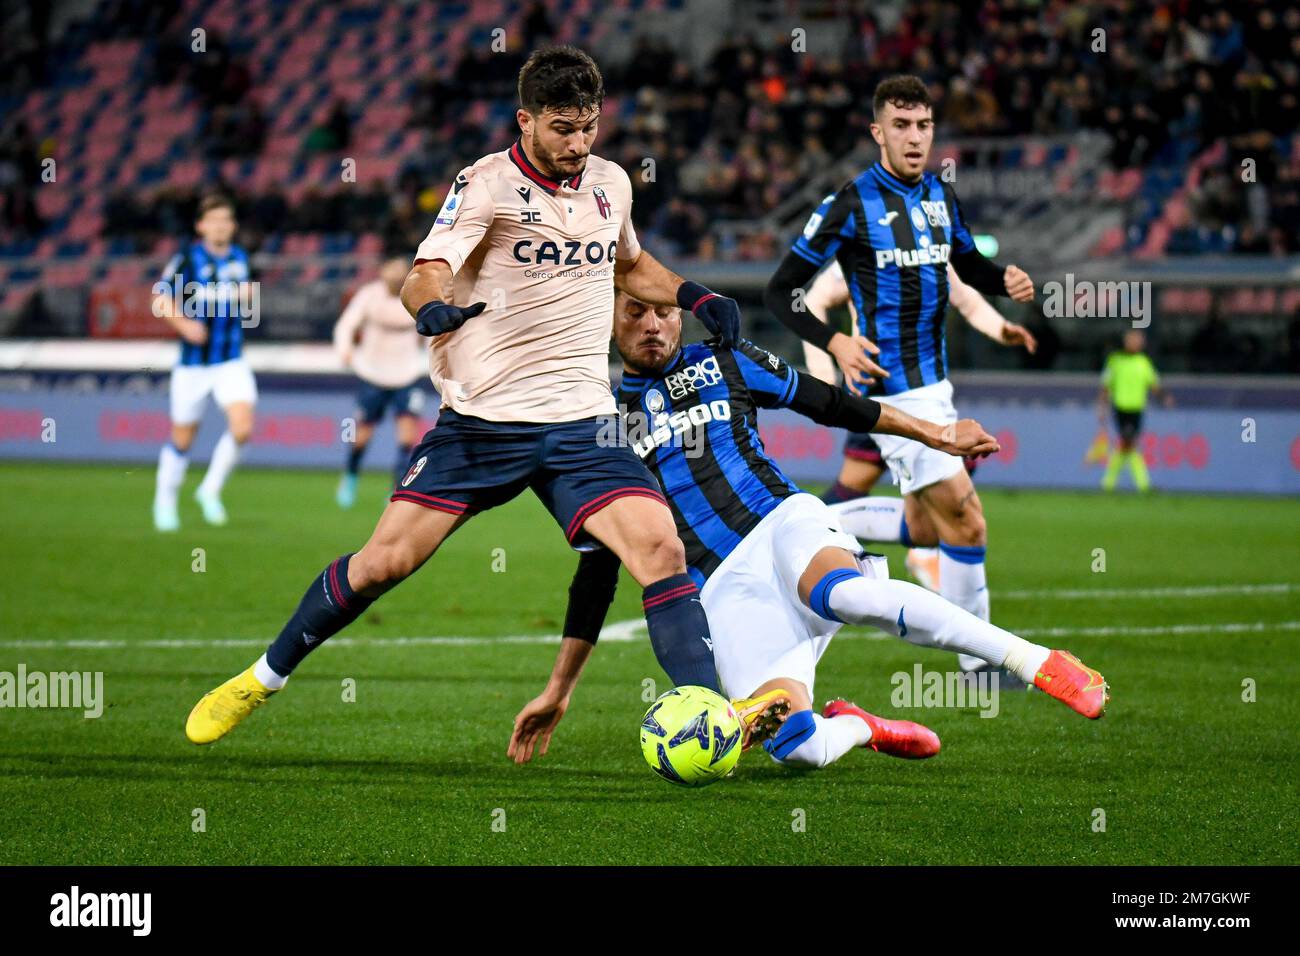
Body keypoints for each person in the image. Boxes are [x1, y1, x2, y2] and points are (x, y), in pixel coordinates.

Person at [184, 46, 783, 746]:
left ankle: (709, 717)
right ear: (525, 119)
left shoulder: (610, 184)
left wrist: (698, 296)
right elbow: (424, 271)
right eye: (563, 128)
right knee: (385, 563)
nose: (579, 143)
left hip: (582, 421)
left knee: (659, 549)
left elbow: (629, 263)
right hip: (483, 421)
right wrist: (431, 308)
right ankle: (261, 679)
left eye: (589, 126)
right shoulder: (486, 185)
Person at [507, 293, 1109, 769]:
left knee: (842, 594)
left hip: (781, 525)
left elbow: (833, 404)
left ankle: (1034, 660)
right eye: (634, 312)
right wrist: (560, 688)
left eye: (664, 311)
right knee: (798, 747)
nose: (654, 325)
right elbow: (598, 569)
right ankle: (861, 725)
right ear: (606, 322)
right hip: (719, 590)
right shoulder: (601, 425)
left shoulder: (725, 359)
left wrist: (935, 434)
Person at [764, 74, 1035, 676]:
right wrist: (833, 339)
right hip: (890, 389)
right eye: (901, 126)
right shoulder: (850, 203)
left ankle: (801, 529)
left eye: (924, 125)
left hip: (936, 382)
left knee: (924, 524)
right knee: (965, 517)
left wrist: (1003, 280)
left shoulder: (940, 194)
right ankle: (981, 661)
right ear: (878, 132)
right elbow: (782, 291)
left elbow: (968, 262)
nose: (914, 138)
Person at [800, 258, 1037, 591]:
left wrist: (1000, 328)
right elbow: (812, 300)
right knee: (952, 499)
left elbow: (965, 298)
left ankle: (801, 526)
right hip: (880, 393)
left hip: (921, 395)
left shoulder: (928, 245)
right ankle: (796, 528)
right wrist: (823, 375)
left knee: (914, 514)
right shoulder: (862, 245)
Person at [152, 193, 257, 532]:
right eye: (213, 220)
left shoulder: (240, 257)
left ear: (233, 226)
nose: (220, 226)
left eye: (226, 220)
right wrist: (184, 324)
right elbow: (159, 297)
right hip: (193, 364)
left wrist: (248, 298)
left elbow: (248, 300)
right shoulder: (187, 258)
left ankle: (209, 490)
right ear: (200, 226)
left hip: (230, 359)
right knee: (183, 438)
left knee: (242, 427)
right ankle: (165, 501)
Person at [332, 255, 429, 506]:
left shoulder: (417, 295)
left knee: (407, 438)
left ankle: (396, 489)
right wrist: (345, 349)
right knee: (362, 435)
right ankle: (351, 476)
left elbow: (431, 330)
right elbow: (346, 325)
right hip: (373, 373)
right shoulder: (369, 295)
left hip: (407, 374)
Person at [1099, 329, 1174, 492]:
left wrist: (1164, 397)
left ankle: (1109, 484)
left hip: (1137, 409)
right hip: (1120, 408)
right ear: (1125, 341)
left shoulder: (1144, 362)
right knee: (1129, 442)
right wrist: (1102, 407)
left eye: (1138, 340)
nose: (1135, 343)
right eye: (1132, 340)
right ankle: (1142, 485)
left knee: (1127, 445)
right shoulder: (1115, 361)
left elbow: (1153, 385)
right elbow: (1106, 386)